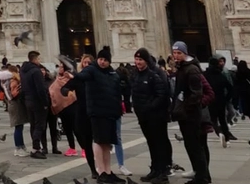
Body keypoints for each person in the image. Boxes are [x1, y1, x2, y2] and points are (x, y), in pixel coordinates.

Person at [65, 46, 122, 184]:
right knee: (99, 140)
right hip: (96, 112)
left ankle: (108, 171)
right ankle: (101, 171)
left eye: (105, 60)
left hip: (109, 112)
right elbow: (82, 76)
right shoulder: (91, 70)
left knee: (107, 143)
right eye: (101, 59)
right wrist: (74, 74)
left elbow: (116, 91)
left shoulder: (112, 73)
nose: (102, 62)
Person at [171, 41, 213, 184]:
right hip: (186, 114)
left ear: (185, 53)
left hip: (191, 115)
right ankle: (201, 175)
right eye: (174, 53)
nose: (176, 56)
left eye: (179, 53)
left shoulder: (191, 69)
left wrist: (187, 107)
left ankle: (202, 177)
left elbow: (197, 94)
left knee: (196, 146)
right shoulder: (182, 68)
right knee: (192, 145)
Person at [131, 47, 172, 184]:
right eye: (136, 59)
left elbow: (162, 94)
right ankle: (154, 169)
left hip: (155, 116)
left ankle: (162, 172)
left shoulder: (153, 75)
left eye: (140, 59)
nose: (138, 62)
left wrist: (150, 107)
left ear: (146, 61)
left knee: (159, 143)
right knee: (151, 143)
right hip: (143, 117)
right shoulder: (135, 75)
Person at [20, 51, 50, 159]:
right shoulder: (36, 71)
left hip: (28, 100)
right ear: (35, 59)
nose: (39, 61)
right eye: (39, 59)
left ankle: (35, 147)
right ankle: (36, 148)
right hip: (37, 102)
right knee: (39, 125)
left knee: (33, 125)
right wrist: (45, 102)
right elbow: (41, 89)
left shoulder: (23, 71)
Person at [204, 56, 237, 147]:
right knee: (223, 120)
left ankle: (219, 133)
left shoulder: (205, 75)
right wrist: (226, 98)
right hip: (221, 101)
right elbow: (230, 88)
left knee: (213, 120)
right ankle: (227, 138)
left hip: (210, 101)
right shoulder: (220, 75)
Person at [49, 59, 78, 158]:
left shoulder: (70, 78)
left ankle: (84, 148)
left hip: (72, 105)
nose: (59, 68)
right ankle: (72, 147)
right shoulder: (57, 79)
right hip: (61, 108)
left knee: (76, 128)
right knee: (67, 128)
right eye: (59, 67)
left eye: (61, 67)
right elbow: (52, 90)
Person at [0, 60, 28, 157]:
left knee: (19, 126)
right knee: (18, 126)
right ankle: (18, 148)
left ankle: (21, 146)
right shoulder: (13, 81)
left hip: (12, 104)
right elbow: (14, 94)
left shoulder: (5, 81)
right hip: (16, 104)